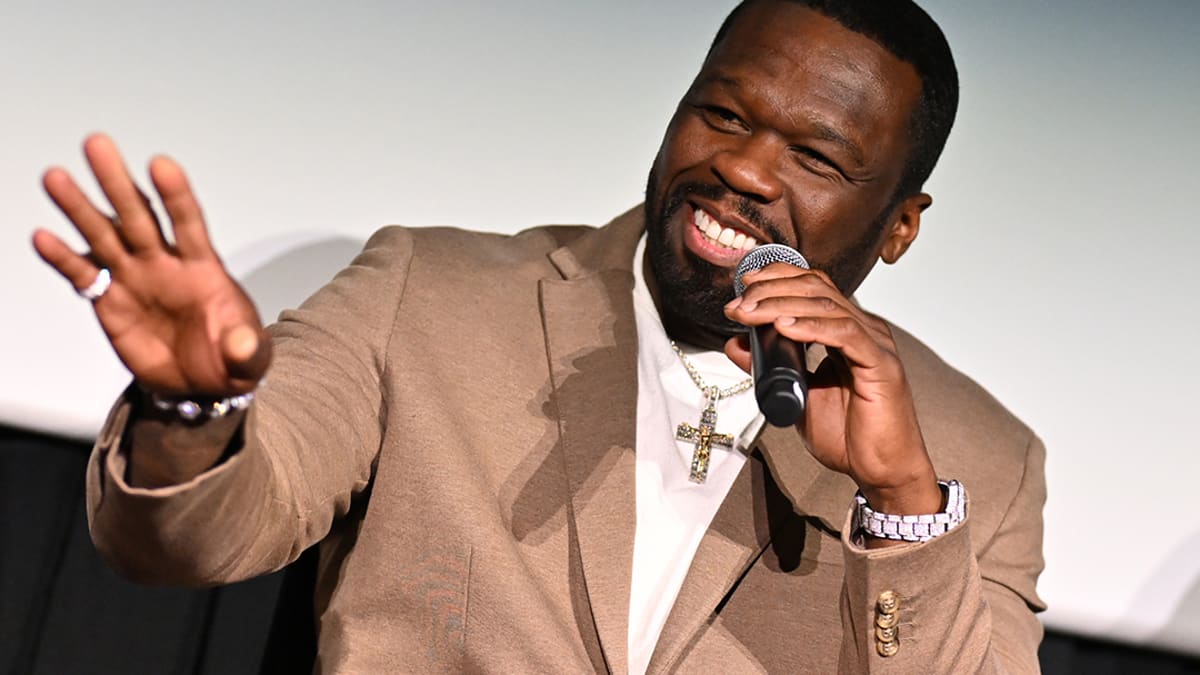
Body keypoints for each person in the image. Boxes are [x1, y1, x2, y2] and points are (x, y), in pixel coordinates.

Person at [32, 0, 1046, 672]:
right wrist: (190, 409)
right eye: (723, 114)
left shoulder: (982, 463)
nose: (744, 169)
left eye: (815, 157)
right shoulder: (428, 292)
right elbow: (187, 538)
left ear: (901, 223)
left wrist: (902, 504)